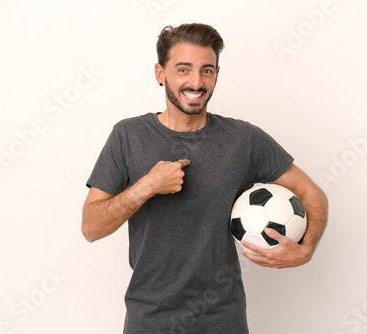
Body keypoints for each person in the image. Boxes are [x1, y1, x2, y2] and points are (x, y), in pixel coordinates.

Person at [82, 23, 328, 334]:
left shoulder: (244, 140)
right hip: (150, 320)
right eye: (183, 69)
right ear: (160, 74)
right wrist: (147, 186)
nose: (196, 82)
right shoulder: (127, 136)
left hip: (222, 319)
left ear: (216, 75)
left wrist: (306, 248)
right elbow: (91, 227)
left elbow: (311, 192)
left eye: (207, 71)